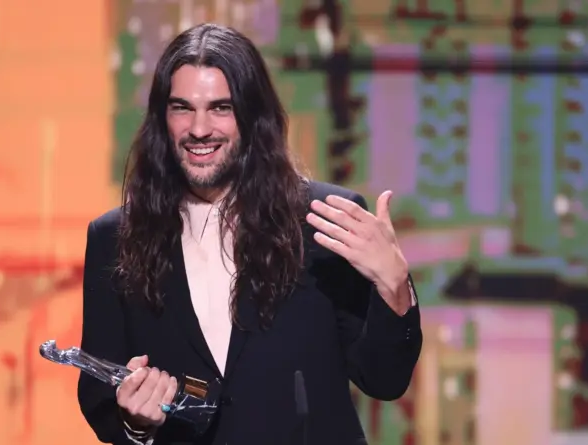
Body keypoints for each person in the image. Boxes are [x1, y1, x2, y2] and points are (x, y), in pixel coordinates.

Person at [77, 23, 422, 445]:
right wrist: (137, 423)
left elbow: (384, 379)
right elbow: (99, 400)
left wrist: (395, 288)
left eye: (220, 107)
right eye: (182, 107)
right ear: (161, 118)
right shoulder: (114, 238)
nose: (199, 128)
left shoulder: (323, 222)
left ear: (252, 116)